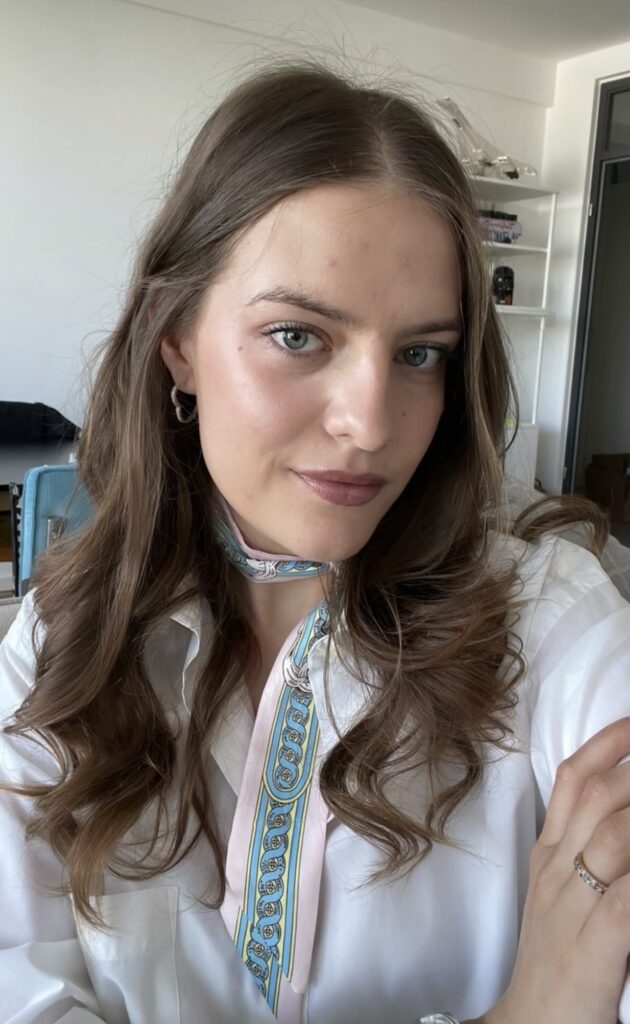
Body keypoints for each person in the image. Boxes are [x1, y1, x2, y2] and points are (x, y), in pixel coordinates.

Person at [1, 60, 630, 1024]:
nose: (370, 424)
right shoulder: (59, 641)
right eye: (298, 336)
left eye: (420, 353)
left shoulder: (549, 619)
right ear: (178, 341)